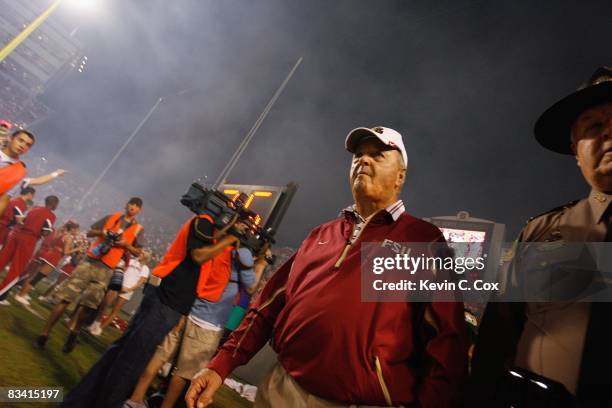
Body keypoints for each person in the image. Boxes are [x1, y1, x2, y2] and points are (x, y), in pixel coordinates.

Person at [186, 126, 468, 408]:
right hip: (281, 388)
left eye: (377, 155)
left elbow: (447, 343)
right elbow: (267, 306)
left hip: (359, 401)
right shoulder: (320, 234)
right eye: (358, 155)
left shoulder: (423, 240)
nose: (363, 160)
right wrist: (222, 364)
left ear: (400, 176)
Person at [470, 66, 612, 407]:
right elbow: (496, 343)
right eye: (594, 126)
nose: (609, 134)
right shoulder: (539, 233)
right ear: (575, 149)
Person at [59, 205, 246, 408]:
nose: (241, 231)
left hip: (169, 301)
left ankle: (77, 401)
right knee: (132, 362)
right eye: (241, 225)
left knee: (121, 352)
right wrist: (228, 239)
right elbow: (198, 255)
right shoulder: (204, 222)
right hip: (166, 300)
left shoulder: (211, 233)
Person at [124, 246, 269, 408]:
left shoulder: (217, 243)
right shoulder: (244, 252)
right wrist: (261, 264)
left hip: (188, 310)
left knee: (160, 356)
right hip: (208, 323)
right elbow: (250, 287)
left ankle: (134, 400)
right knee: (184, 372)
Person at [37, 197, 144, 352]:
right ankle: (44, 334)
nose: (133, 207)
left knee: (88, 305)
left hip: (106, 269)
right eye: (131, 204)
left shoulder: (138, 229)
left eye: (136, 206)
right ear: (126, 205)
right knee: (65, 298)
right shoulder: (111, 217)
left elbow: (138, 251)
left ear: (139, 210)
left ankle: (74, 330)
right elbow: (89, 233)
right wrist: (103, 232)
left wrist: (126, 245)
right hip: (90, 262)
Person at [0, 195, 59, 304]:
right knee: (16, 268)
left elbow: (22, 220)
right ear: (54, 204)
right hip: (28, 240)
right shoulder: (51, 215)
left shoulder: (35, 208)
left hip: (16, 234)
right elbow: (45, 231)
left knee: (2, 260)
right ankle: (1, 296)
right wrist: (49, 232)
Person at [14, 221, 82, 305]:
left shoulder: (62, 234)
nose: (78, 232)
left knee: (35, 275)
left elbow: (56, 245)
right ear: (72, 229)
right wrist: (77, 249)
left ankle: (21, 293)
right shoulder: (69, 237)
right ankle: (21, 295)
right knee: (37, 278)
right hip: (53, 258)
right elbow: (66, 252)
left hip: (48, 254)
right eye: (77, 230)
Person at [0, 129, 65, 217]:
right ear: (10, 138)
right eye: (20, 140)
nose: (23, 145)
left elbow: (4, 200)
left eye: (28, 145)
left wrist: (56, 174)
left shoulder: (19, 171)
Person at [88, 250, 152, 336]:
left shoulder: (145, 269)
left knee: (115, 310)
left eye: (142, 254)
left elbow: (140, 282)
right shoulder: (131, 261)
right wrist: (118, 282)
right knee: (105, 304)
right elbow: (122, 271)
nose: (139, 254)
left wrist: (129, 289)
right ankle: (96, 323)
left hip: (127, 290)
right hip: (118, 285)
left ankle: (100, 329)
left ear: (146, 257)